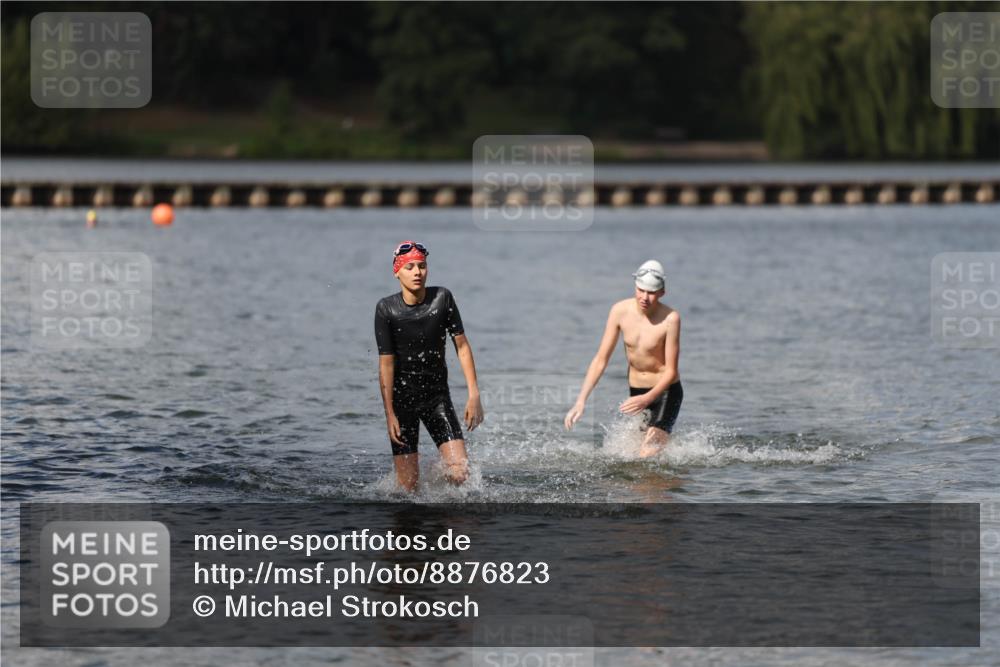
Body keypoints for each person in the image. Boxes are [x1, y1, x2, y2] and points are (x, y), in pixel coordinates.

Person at [374, 240, 484, 491]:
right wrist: (389, 412)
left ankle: (441, 494)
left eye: (421, 266)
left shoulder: (442, 298)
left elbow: (463, 347)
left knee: (460, 473)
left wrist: (474, 393)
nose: (417, 272)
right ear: (397, 272)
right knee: (408, 489)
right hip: (402, 403)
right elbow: (386, 364)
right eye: (410, 267)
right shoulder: (386, 309)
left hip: (437, 398)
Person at [564, 260, 682, 458]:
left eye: (651, 292)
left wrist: (648, 398)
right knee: (630, 455)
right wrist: (581, 400)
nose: (645, 297)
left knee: (646, 454)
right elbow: (601, 359)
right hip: (636, 392)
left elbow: (671, 371)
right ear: (635, 286)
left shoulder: (671, 319)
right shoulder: (619, 311)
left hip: (665, 392)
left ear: (662, 292)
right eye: (641, 290)